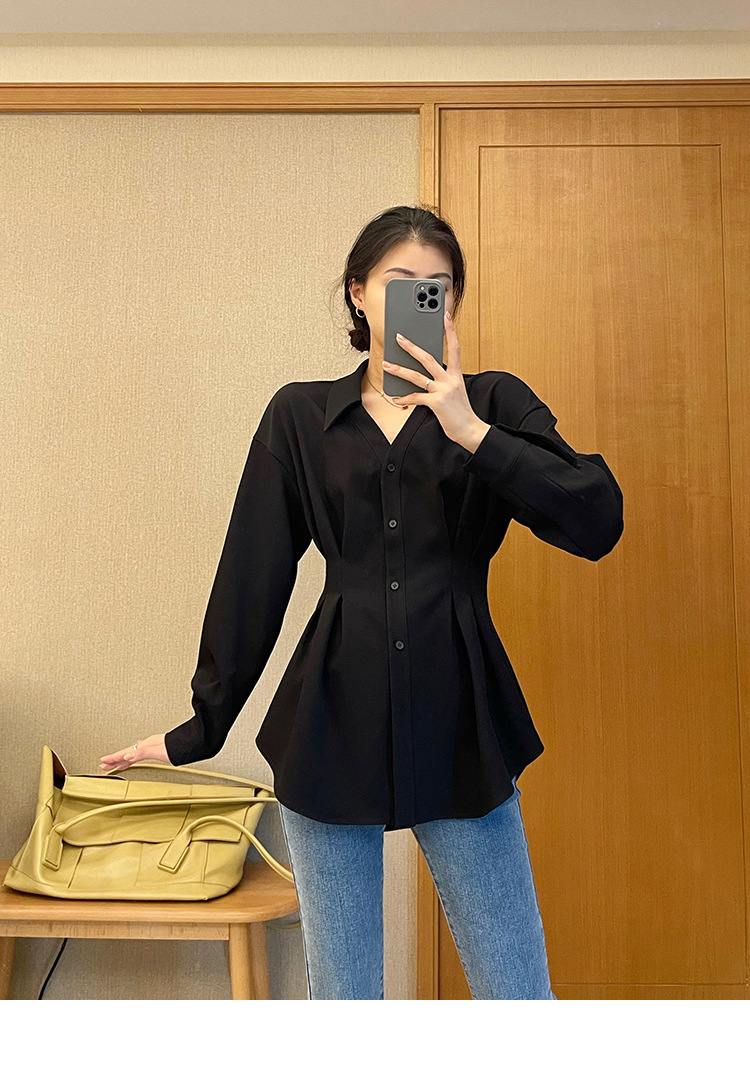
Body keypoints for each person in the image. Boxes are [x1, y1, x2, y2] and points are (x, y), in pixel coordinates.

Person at [100, 204, 624, 999]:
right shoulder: (299, 417)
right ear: (358, 293)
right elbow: (252, 576)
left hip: (463, 726)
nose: (421, 299)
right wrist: (201, 726)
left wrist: (470, 431)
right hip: (329, 729)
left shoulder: (493, 403)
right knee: (345, 1008)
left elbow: (597, 518)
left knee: (519, 998)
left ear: (453, 302)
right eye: (399, 282)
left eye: (438, 287)